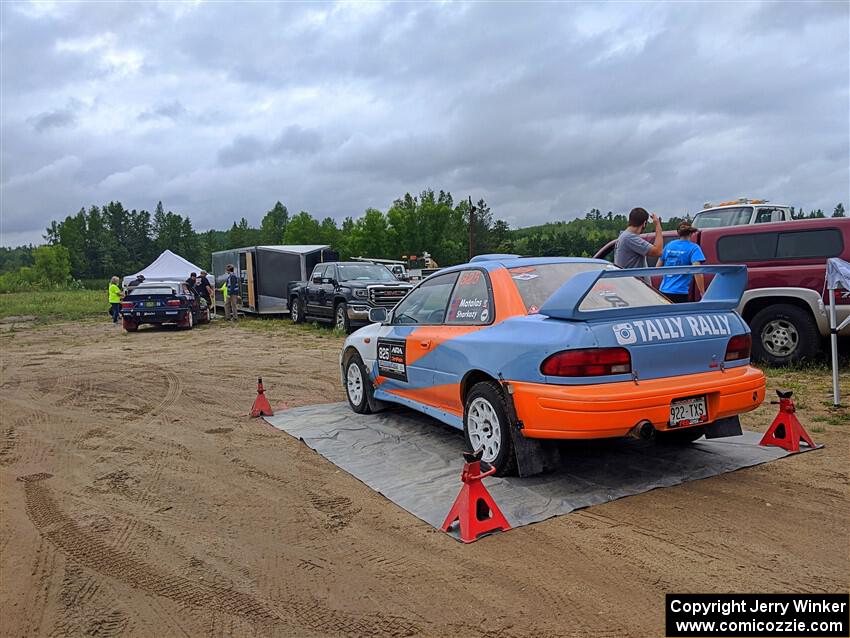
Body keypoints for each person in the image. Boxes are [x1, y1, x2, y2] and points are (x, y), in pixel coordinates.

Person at [657, 222, 706, 303]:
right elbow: (697, 271)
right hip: (680, 293)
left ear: (678, 233)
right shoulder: (694, 248)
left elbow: (657, 268)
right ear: (691, 233)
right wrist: (702, 292)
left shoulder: (669, 245)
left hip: (663, 291)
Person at [614, 208, 664, 279]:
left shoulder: (624, 236)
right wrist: (658, 226)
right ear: (644, 223)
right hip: (634, 287)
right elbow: (658, 252)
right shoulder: (630, 238)